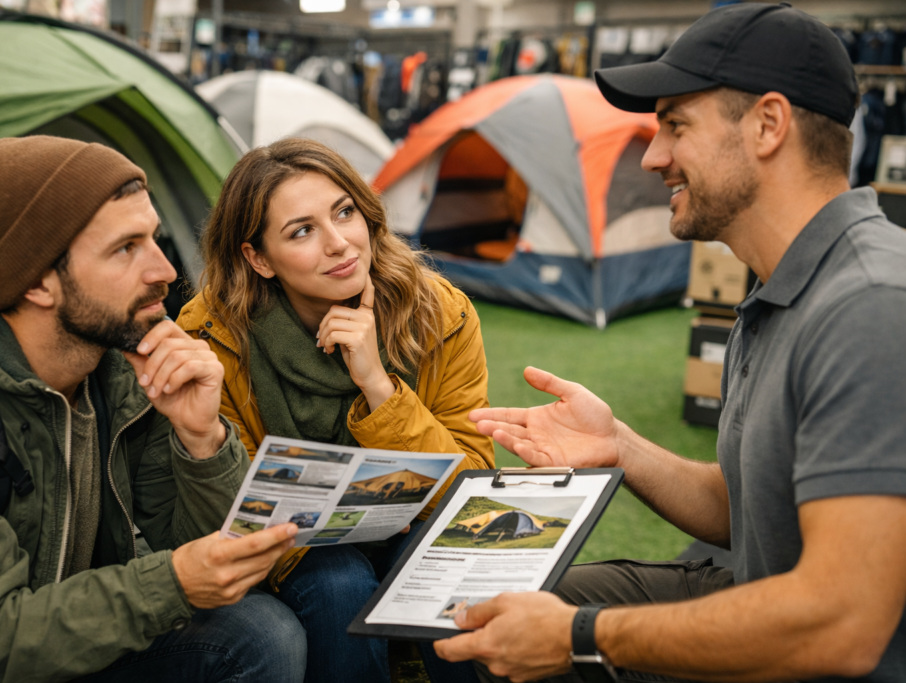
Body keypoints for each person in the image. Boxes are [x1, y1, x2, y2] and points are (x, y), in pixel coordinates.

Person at [433, 4, 906, 683]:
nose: (652, 155)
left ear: (769, 125)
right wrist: (621, 448)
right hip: (771, 595)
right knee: (489, 614)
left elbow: (841, 621)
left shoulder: (870, 304)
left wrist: (579, 636)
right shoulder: (785, 287)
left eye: (675, 125)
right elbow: (755, 510)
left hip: (835, 651)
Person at [0, 136, 308, 683]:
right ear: (38, 280)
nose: (165, 270)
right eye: (125, 248)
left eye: (154, 237)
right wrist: (172, 583)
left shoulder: (121, 365)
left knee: (259, 633)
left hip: (73, 645)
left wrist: (201, 439)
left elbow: (208, 556)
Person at [177, 137, 495, 683]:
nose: (339, 243)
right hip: (297, 551)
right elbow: (232, 509)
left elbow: (474, 490)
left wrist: (378, 385)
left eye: (344, 212)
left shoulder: (439, 311)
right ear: (258, 258)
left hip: (411, 524)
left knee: (452, 564)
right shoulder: (211, 336)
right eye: (302, 231)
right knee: (337, 577)